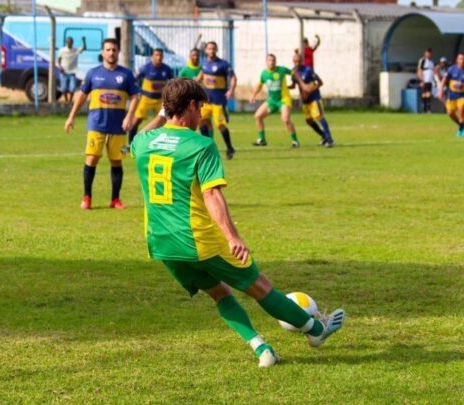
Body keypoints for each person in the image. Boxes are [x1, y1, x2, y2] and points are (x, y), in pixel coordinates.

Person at [130, 78, 346, 368]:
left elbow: (140, 137)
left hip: (161, 243)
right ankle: (317, 331)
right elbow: (212, 194)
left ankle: (262, 349)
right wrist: (232, 236)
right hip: (200, 240)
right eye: (201, 107)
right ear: (191, 105)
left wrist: (161, 114)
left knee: (219, 293)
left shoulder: (144, 143)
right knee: (259, 286)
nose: (203, 114)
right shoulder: (201, 145)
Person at [64, 38, 139, 210]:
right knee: (91, 158)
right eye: (108, 50)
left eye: (114, 49)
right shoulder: (92, 73)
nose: (111, 53)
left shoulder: (126, 75)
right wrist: (71, 116)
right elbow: (82, 96)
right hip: (96, 124)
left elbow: (135, 96)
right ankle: (87, 197)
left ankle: (115, 199)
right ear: (102, 52)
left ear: (118, 52)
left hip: (118, 127)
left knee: (117, 161)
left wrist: (129, 116)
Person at [249, 54, 310, 147]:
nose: (271, 62)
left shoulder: (281, 70)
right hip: (272, 100)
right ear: (266, 62)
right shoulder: (264, 73)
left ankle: (295, 141)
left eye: (273, 60)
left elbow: (294, 73)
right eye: (269, 60)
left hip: (283, 99)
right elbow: (260, 84)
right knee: (257, 116)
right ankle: (262, 139)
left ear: (275, 61)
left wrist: (302, 84)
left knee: (285, 119)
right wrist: (253, 95)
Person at [195, 41, 237, 160]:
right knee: (200, 121)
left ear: (216, 50)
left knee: (220, 125)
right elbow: (200, 76)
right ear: (206, 50)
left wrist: (231, 90)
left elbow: (233, 77)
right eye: (209, 48)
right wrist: (192, 84)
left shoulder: (223, 64)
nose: (211, 50)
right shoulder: (204, 63)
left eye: (213, 48)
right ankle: (207, 148)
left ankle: (229, 148)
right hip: (206, 101)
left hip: (219, 101)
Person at [127, 49, 174, 145]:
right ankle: (131, 143)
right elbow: (133, 79)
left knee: (162, 123)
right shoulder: (145, 68)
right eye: (156, 55)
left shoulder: (166, 69)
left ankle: (159, 144)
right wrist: (136, 91)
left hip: (160, 101)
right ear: (152, 56)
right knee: (136, 121)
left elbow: (173, 82)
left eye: (160, 55)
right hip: (146, 99)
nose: (159, 57)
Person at [289, 52, 334, 147]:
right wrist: (285, 87)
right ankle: (323, 136)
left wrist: (311, 90)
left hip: (314, 98)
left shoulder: (308, 70)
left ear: (302, 61)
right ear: (293, 62)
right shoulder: (293, 72)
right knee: (308, 120)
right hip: (305, 100)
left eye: (299, 61)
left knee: (319, 117)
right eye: (295, 61)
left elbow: (320, 82)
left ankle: (330, 140)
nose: (297, 63)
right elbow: (293, 85)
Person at [438, 52, 464, 137]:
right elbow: (444, 80)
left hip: (463, 95)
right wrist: (441, 91)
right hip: (452, 95)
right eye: (460, 59)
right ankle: (462, 125)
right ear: (457, 60)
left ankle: (461, 130)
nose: (462, 60)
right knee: (450, 113)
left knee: (461, 110)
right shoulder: (451, 69)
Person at [179, 48, 213, 138]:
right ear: (190, 57)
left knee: (206, 121)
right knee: (189, 122)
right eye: (193, 55)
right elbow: (179, 85)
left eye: (197, 55)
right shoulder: (184, 71)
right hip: (189, 101)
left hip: (201, 99)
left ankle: (209, 141)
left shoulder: (204, 68)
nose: (195, 57)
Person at [58, 36, 87, 103]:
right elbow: (59, 59)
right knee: (64, 88)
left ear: (72, 43)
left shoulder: (75, 50)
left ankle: (70, 101)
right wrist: (60, 67)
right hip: (64, 72)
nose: (69, 43)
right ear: (66, 43)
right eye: (68, 42)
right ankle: (66, 100)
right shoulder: (62, 50)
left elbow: (84, 48)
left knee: (72, 88)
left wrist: (84, 41)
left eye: (70, 42)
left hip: (72, 72)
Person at [417, 48, 435, 113]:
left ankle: (427, 108)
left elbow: (433, 71)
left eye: (430, 53)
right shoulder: (423, 60)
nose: (429, 54)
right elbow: (419, 70)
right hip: (425, 79)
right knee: (425, 93)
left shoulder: (431, 62)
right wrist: (421, 80)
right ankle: (425, 108)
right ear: (425, 53)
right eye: (427, 53)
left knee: (428, 93)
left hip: (430, 80)